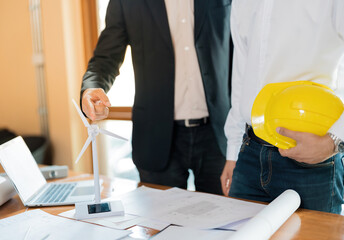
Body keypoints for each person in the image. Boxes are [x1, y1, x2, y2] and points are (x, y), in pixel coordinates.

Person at [80, 0, 233, 195]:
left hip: (218, 135)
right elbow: (105, 58)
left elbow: (240, 51)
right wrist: (92, 88)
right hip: (156, 136)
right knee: (162, 223)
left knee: (222, 221)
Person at [221, 0, 344, 213]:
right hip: (249, 153)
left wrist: (334, 142)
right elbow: (242, 73)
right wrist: (232, 152)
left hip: (310, 158)